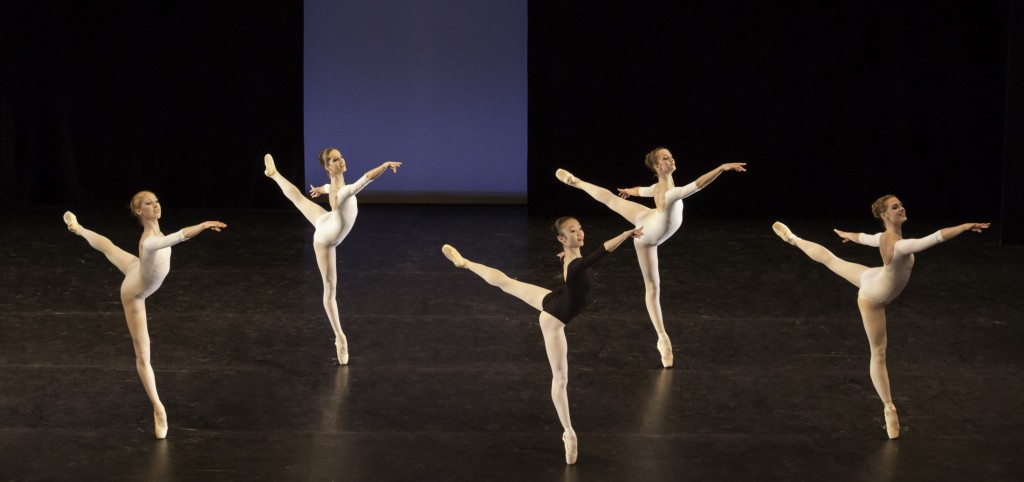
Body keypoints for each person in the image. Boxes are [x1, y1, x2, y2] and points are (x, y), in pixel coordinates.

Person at [772, 195, 989, 439]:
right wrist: (964, 226)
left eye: (901, 204)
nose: (902, 207)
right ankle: (889, 408)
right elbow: (935, 237)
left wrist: (848, 234)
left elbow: (864, 238)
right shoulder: (900, 245)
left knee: (832, 260)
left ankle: (793, 239)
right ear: (885, 215)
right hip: (873, 297)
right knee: (879, 353)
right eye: (895, 207)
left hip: (875, 277)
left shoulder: (885, 238)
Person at [442, 218, 643, 465]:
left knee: (507, 283)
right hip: (554, 318)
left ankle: (465, 263)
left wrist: (565, 254)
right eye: (572, 231)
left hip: (555, 299)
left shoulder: (569, 257)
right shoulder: (576, 265)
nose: (579, 233)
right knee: (560, 379)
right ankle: (568, 432)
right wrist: (625, 234)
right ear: (561, 238)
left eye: (580, 228)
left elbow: (582, 256)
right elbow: (602, 252)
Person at [555, 147, 746, 367]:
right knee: (652, 288)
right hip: (646, 236)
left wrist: (629, 190)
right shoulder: (671, 193)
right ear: (657, 167)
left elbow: (643, 190)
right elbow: (699, 184)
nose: (671, 159)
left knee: (611, 200)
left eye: (671, 155)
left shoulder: (659, 187)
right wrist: (722, 167)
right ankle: (663, 338)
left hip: (649, 218)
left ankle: (577, 183)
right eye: (666, 158)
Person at [62, 193, 226, 439]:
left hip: (136, 269)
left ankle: (77, 228)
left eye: (157, 200)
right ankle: (158, 407)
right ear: (139, 212)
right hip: (134, 293)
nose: (155, 204)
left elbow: (171, 236)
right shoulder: (150, 241)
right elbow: (179, 236)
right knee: (143, 355)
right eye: (148, 203)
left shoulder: (156, 234)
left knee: (110, 248)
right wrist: (202, 225)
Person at [263, 149, 400, 365]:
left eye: (341, 156)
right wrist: (384, 165)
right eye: (335, 159)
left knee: (299, 199)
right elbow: (365, 180)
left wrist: (320, 189)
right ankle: (340, 337)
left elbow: (331, 187)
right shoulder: (343, 192)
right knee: (329, 290)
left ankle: (274, 174)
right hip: (326, 238)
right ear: (328, 167)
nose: (341, 160)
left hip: (327, 221)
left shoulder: (336, 187)